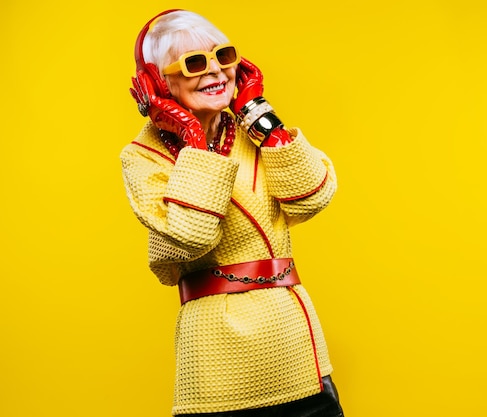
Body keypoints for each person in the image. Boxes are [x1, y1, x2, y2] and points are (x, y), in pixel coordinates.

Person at [120, 9, 344, 417]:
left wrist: (259, 112)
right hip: (215, 353)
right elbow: (192, 233)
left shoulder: (251, 129)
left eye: (224, 56)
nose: (216, 72)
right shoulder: (143, 156)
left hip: (294, 343)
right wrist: (192, 136)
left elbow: (312, 197)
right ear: (157, 82)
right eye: (194, 63)